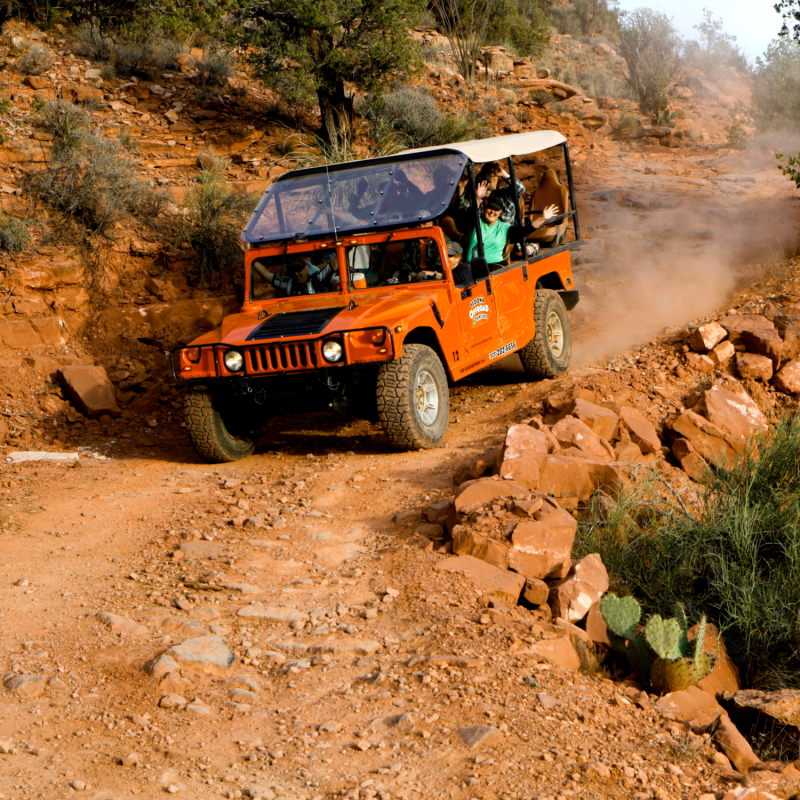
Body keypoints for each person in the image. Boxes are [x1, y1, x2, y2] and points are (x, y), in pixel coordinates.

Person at [466, 195, 558, 268]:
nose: (492, 212)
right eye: (490, 208)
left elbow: (523, 231)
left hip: (495, 264)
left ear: (500, 212)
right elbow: (470, 215)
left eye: (496, 209)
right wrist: (477, 197)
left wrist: (542, 218)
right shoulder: (476, 222)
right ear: (484, 208)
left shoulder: (504, 227)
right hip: (474, 266)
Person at [252, 255, 336, 296]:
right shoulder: (288, 284)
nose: (296, 274)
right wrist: (250, 255)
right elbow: (265, 273)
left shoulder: (317, 278)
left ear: (306, 268)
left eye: (299, 270)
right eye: (293, 271)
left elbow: (334, 264)